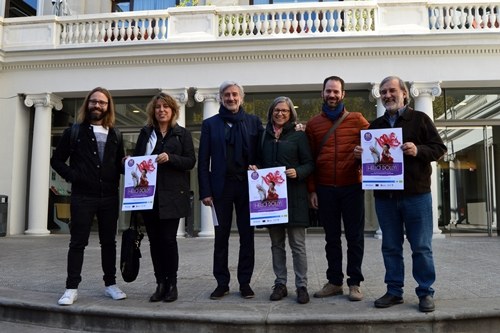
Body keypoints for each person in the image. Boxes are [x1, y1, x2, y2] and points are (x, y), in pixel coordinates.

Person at [354, 76, 446, 312]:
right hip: (386, 198)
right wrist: (360, 156)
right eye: (383, 92)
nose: (387, 95)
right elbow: (369, 163)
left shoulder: (420, 119)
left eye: (392, 91)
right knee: (391, 247)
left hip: (416, 195)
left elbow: (439, 148)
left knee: (421, 247)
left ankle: (425, 292)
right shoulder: (374, 127)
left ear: (404, 93)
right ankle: (394, 291)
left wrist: (418, 150)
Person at [51, 87, 126, 306]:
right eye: (94, 102)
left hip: (109, 197)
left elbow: (119, 165)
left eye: (102, 103)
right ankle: (71, 288)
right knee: (77, 243)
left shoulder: (116, 134)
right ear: (88, 104)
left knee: (109, 243)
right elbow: (56, 160)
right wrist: (74, 176)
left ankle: (110, 284)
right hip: (83, 196)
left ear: (108, 106)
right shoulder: (73, 132)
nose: (97, 106)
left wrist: (128, 164)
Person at [305, 76, 369, 302]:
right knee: (331, 238)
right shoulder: (313, 125)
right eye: (328, 91)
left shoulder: (358, 120)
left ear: (343, 95)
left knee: (354, 237)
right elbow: (310, 159)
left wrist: (362, 157)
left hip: (352, 186)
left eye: (336, 91)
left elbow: (374, 148)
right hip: (325, 189)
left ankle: (354, 283)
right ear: (322, 94)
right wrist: (312, 189)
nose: (332, 95)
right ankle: (334, 282)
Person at [198, 81, 263, 300]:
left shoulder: (254, 122)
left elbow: (264, 151)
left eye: (235, 94)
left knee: (247, 237)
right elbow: (203, 160)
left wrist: (259, 168)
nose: (231, 98)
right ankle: (222, 283)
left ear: (242, 98)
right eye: (227, 94)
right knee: (220, 237)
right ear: (220, 97)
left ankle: (245, 283)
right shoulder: (210, 124)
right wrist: (205, 191)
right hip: (220, 188)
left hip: (248, 188)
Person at [133, 92, 196, 303]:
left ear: (173, 110)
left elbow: (190, 161)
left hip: (172, 195)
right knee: (154, 241)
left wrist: (171, 158)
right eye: (158, 107)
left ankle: (172, 283)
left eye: (166, 107)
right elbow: (137, 159)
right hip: (147, 195)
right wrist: (129, 161)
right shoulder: (145, 133)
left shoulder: (182, 134)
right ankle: (160, 283)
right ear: (153, 110)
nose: (161, 110)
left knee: (168, 240)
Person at [251, 96, 314, 304]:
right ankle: (280, 284)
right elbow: (259, 160)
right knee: (276, 244)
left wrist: (299, 171)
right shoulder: (264, 136)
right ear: (271, 112)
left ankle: (301, 285)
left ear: (291, 114)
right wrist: (256, 169)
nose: (280, 114)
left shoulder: (298, 135)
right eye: (277, 110)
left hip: (294, 197)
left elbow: (310, 163)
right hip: (272, 202)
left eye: (285, 111)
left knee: (298, 244)